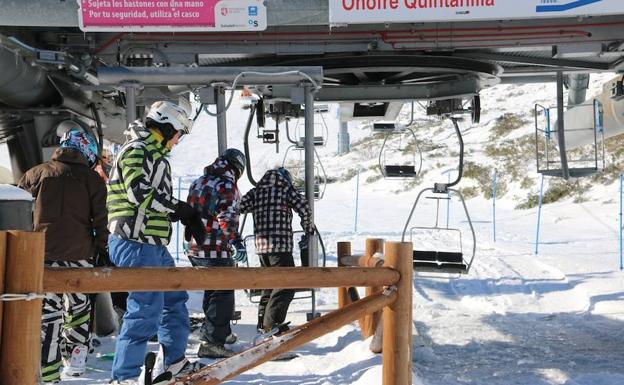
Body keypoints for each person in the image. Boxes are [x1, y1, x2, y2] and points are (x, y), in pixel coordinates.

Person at [106, 101, 205, 384]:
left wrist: (185, 215)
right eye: (178, 133)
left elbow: (154, 203)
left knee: (174, 299)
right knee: (146, 307)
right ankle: (123, 377)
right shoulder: (137, 151)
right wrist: (180, 209)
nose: (178, 140)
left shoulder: (155, 154)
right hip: (133, 242)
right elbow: (139, 193)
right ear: (165, 127)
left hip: (153, 244)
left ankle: (173, 362)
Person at [18, 122, 108, 383]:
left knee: (49, 314)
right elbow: (101, 220)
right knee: (79, 308)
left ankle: (48, 372)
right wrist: (103, 250)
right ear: (86, 151)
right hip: (80, 256)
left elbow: (19, 214)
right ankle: (76, 361)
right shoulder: (92, 180)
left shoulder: (34, 174)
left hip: (41, 257)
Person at [185, 148, 247, 359]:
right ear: (237, 168)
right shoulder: (226, 184)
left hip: (195, 248)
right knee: (222, 294)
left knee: (211, 291)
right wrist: (236, 242)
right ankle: (213, 342)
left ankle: (219, 331)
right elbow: (226, 217)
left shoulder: (198, 182)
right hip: (216, 248)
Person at [239, 167, 314, 333]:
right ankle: (272, 325)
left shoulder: (255, 192)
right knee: (286, 284)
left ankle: (262, 324)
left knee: (269, 285)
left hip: (262, 248)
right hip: (280, 246)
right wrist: (307, 228)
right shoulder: (286, 189)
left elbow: (240, 207)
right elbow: (304, 208)